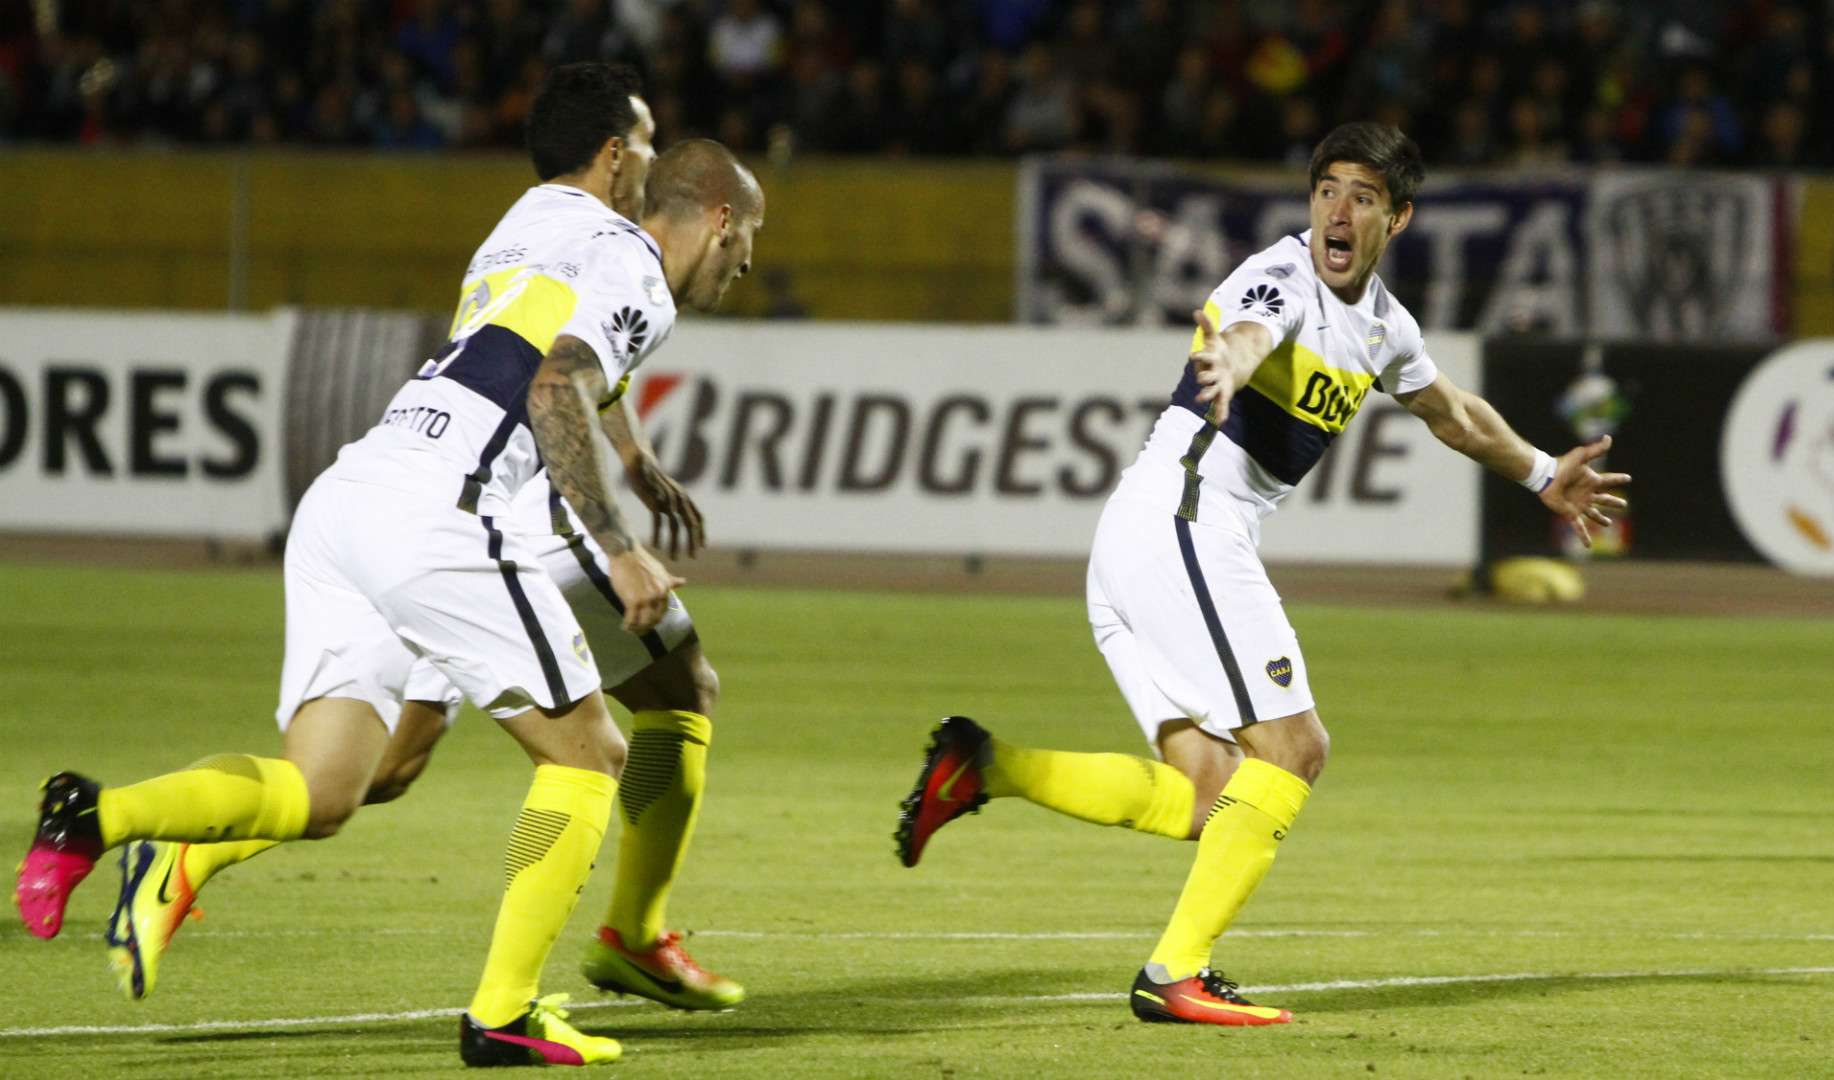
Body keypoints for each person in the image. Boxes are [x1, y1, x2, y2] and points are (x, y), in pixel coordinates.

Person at [15, 61, 763, 1067]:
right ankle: (505, 1012)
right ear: (633, 166)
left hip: (354, 492)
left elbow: (548, 348)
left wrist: (628, 450)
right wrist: (621, 548)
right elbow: (552, 383)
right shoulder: (627, 257)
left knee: (334, 787)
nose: (745, 261)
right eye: (746, 241)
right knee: (589, 753)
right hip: (446, 512)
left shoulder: (531, 223)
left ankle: (96, 816)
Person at [894, 122, 1628, 1027]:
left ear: (1397, 219)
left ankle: (983, 766)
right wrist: (1231, 360)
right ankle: (1175, 975)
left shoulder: (1385, 326)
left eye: (1362, 196)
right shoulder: (1278, 276)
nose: (1337, 210)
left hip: (1146, 536)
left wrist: (1542, 472)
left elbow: (1452, 411)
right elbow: (1246, 329)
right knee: (1295, 748)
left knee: (1213, 794)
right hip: (1184, 522)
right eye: (1327, 190)